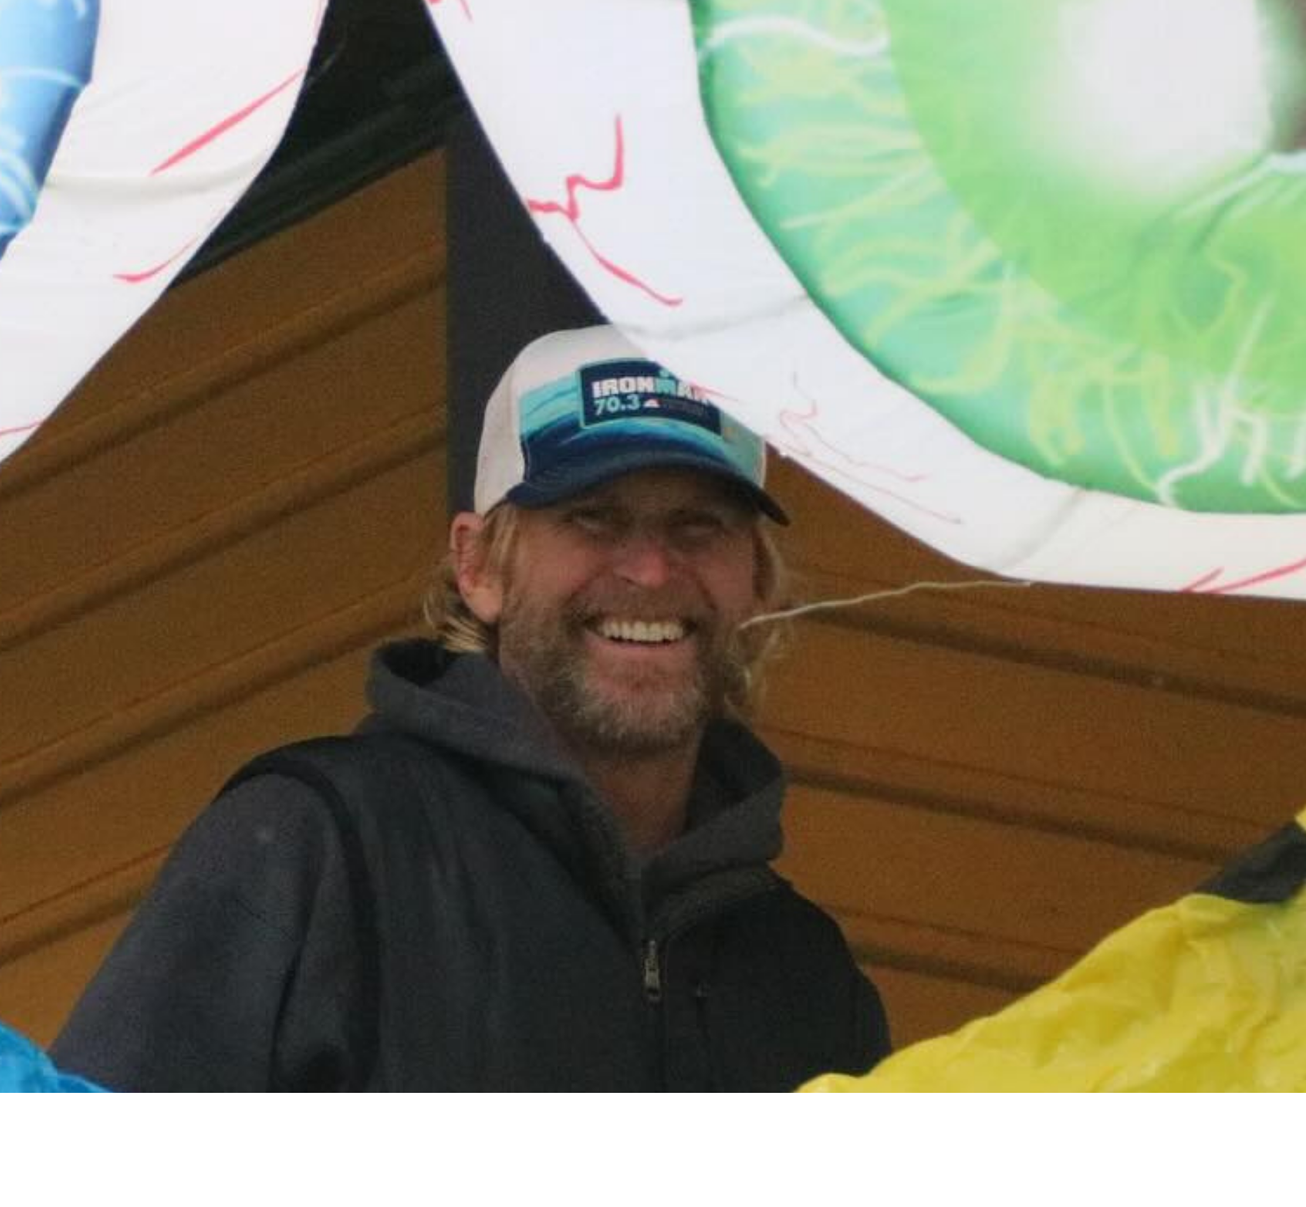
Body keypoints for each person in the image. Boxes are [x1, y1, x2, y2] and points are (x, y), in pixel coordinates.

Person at [51, 327, 890, 1091]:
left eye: (699, 525)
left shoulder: (808, 976)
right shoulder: (317, 844)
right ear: (480, 565)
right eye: (593, 517)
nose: (651, 570)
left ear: (758, 582)